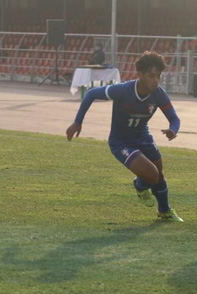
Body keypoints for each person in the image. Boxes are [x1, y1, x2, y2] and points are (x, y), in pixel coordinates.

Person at [66, 51, 184, 222]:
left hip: (144, 138)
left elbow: (174, 118)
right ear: (140, 74)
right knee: (151, 175)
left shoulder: (158, 94)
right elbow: (91, 94)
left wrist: (173, 129)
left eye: (159, 75)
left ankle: (164, 211)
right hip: (121, 142)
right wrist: (78, 122)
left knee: (159, 176)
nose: (156, 80)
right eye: (151, 76)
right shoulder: (123, 90)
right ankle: (139, 184)